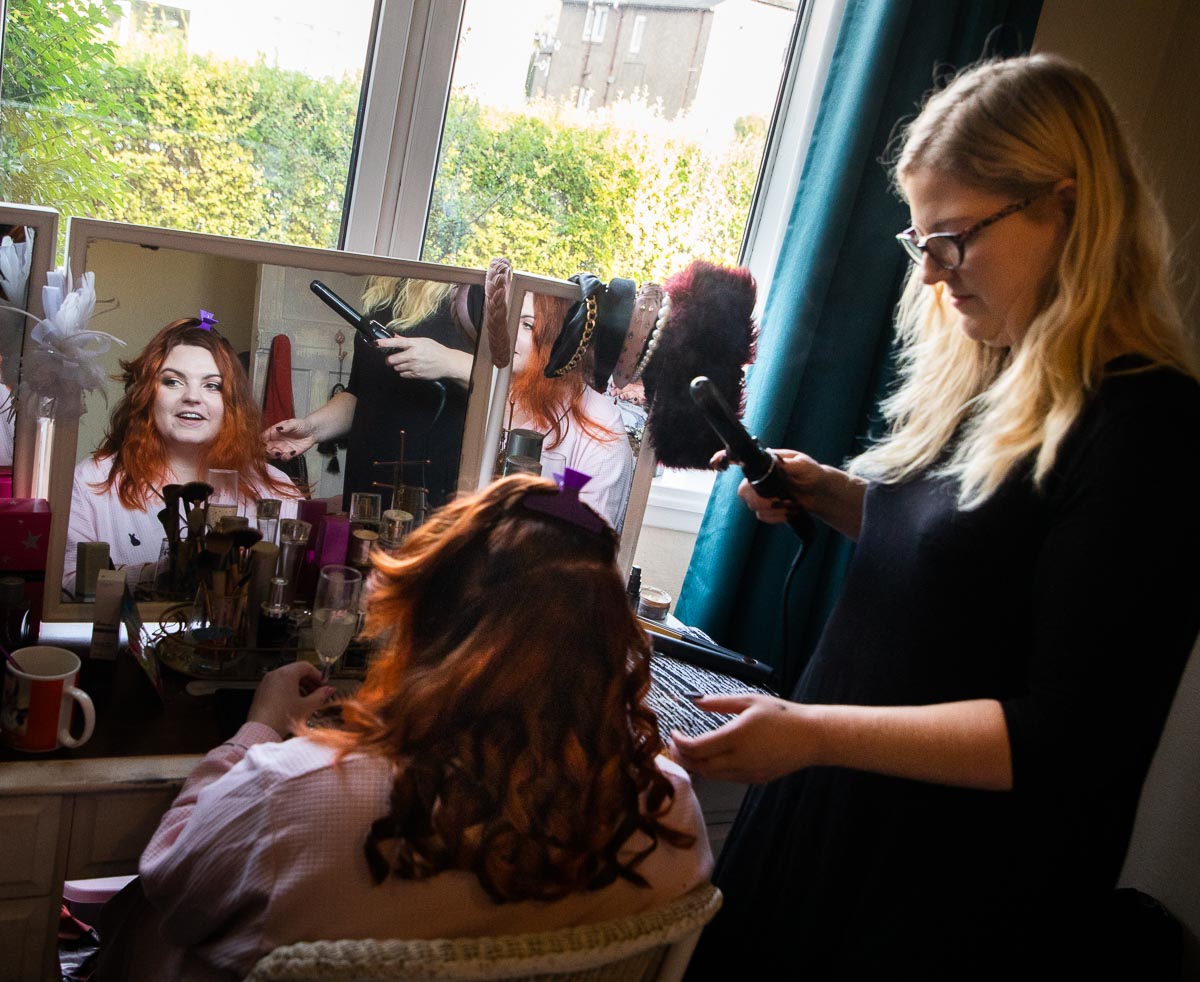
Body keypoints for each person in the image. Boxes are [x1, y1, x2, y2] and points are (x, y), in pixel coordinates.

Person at [670, 54, 1200, 977]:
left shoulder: (1151, 430)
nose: (932, 275)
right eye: (921, 243)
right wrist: (830, 493)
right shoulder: (997, 377)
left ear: (1067, 209)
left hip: (944, 892)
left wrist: (811, 731)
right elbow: (974, 566)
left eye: (953, 241)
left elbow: (1065, 739)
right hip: (828, 827)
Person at [117, 474, 710, 981]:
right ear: (609, 642)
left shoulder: (291, 794)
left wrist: (259, 732)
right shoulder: (671, 812)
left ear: (427, 615)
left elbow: (168, 881)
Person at [63, 319, 299, 591]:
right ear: (147, 394)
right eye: (173, 381)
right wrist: (161, 572)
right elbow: (66, 586)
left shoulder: (276, 490)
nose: (192, 397)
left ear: (232, 403)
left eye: (212, 385)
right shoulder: (92, 482)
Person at [264, 277, 482, 513]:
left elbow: (506, 386)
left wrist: (448, 361)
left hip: (434, 486)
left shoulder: (472, 289)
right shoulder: (382, 288)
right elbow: (359, 394)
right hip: (368, 480)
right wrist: (312, 429)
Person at [508, 289, 634, 528]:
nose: (509, 333)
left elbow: (585, 538)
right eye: (509, 319)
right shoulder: (490, 394)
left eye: (527, 325)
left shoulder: (600, 428)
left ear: (560, 341)